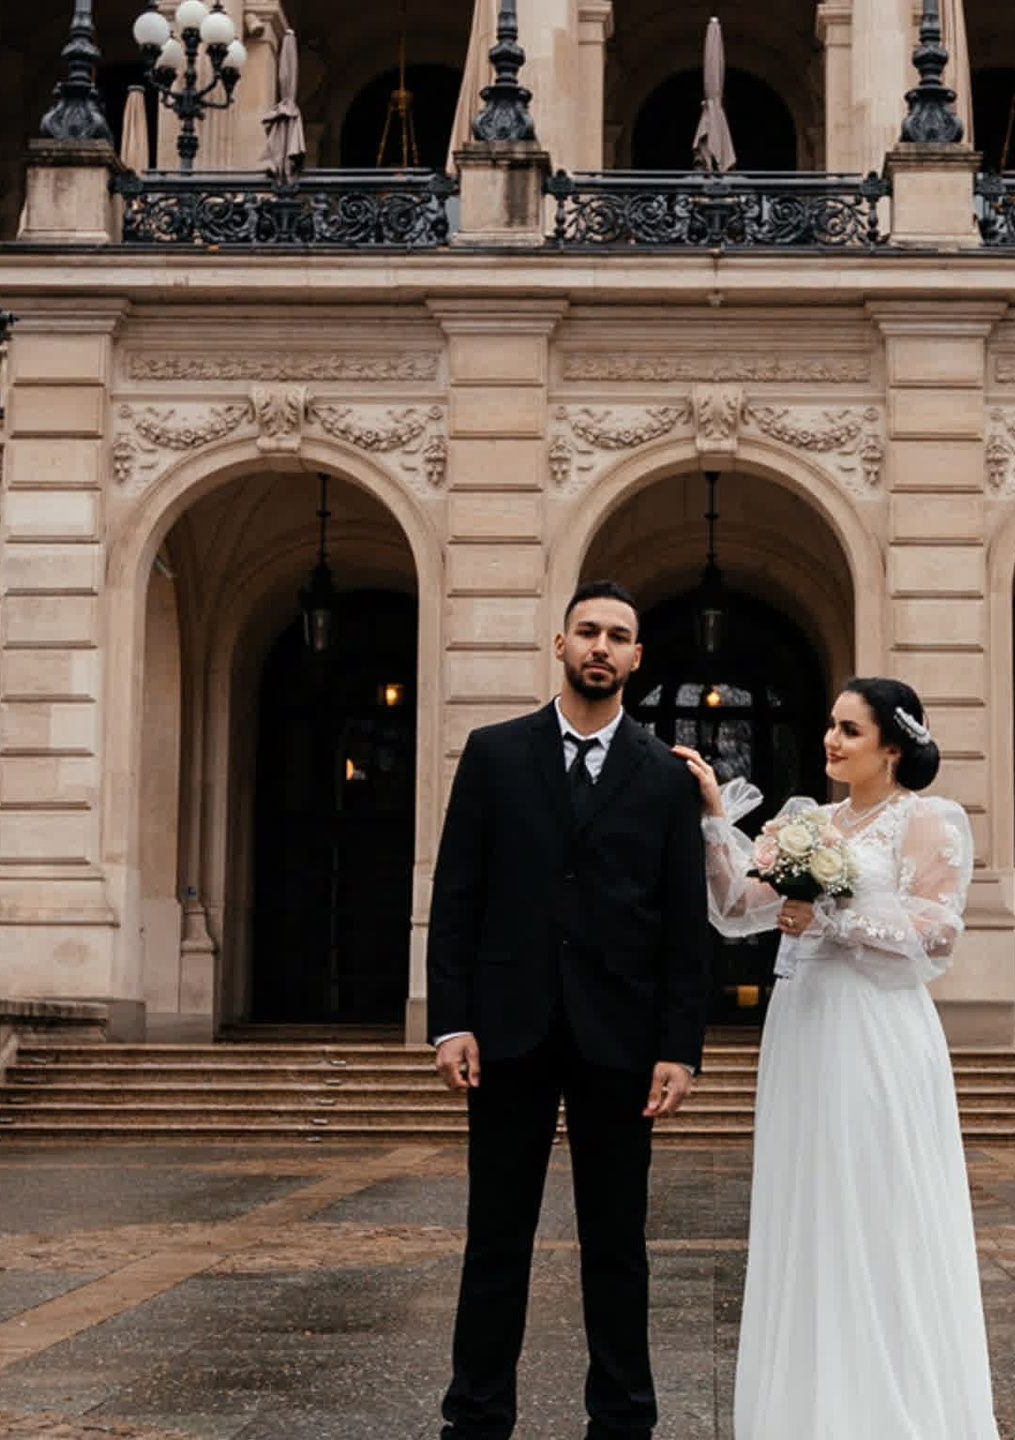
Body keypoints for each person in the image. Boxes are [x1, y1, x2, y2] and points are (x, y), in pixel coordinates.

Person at [676, 677, 1001, 1440]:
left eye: (850, 730)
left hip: (878, 1028)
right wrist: (715, 821)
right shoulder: (806, 823)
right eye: (830, 725)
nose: (832, 739)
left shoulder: (928, 819)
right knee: (809, 1204)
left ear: (893, 745)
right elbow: (732, 912)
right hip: (805, 1026)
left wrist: (832, 908)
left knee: (879, 1202)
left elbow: (938, 935)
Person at [428, 579, 711, 1440]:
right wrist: (451, 1020)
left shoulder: (665, 776)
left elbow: (682, 920)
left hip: (621, 1039)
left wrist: (680, 1046)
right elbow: (457, 896)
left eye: (617, 635)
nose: (600, 646)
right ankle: (475, 1416)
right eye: (586, 631)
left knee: (618, 1245)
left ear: (635, 658)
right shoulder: (493, 752)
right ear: (559, 645)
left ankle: (623, 1418)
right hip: (507, 1029)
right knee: (495, 1239)